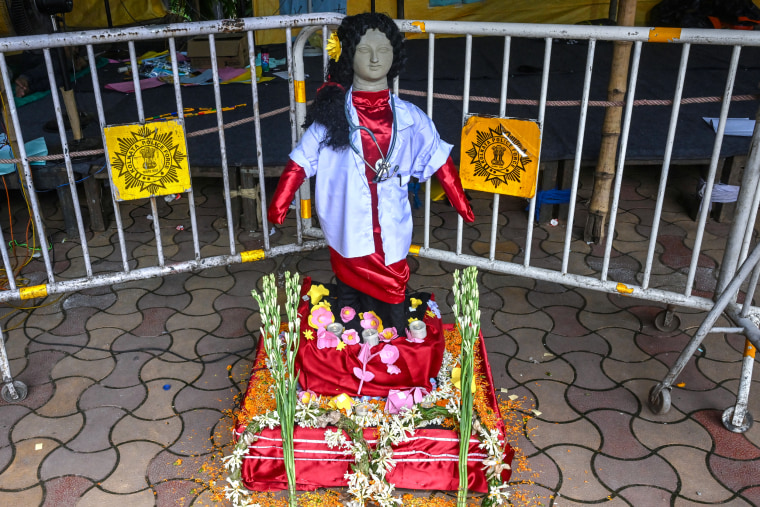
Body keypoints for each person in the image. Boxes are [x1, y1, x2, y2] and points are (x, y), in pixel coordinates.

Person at [267, 12, 474, 335]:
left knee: (393, 276)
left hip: (391, 219)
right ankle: (350, 333)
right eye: (365, 50)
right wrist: (279, 202)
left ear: (396, 54)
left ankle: (394, 336)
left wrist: (460, 200)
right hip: (346, 217)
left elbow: (438, 158)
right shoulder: (332, 116)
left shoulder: (410, 116)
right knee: (349, 276)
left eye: (384, 49)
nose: (376, 58)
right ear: (349, 55)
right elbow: (301, 161)